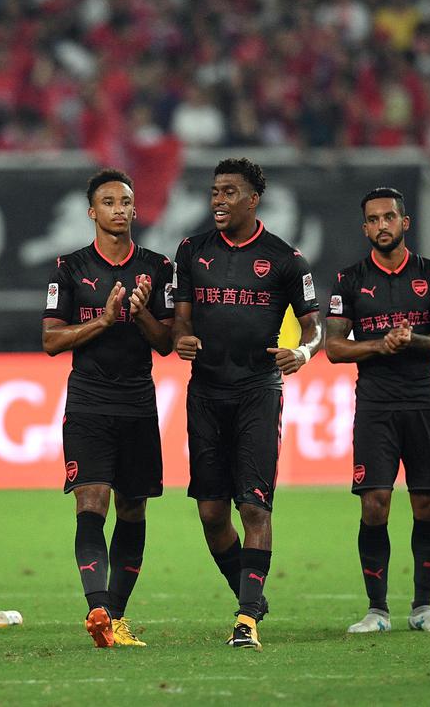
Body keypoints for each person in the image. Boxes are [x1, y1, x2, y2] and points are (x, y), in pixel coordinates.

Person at [172, 157, 322, 650]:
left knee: (253, 505)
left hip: (258, 391)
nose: (218, 199)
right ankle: (251, 593)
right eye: (215, 191)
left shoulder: (285, 259)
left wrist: (301, 351)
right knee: (212, 513)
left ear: (253, 199)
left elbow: (316, 327)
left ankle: (246, 618)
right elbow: (182, 321)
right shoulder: (191, 251)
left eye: (229, 192)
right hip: (206, 392)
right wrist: (182, 339)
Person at [42, 169, 174, 648]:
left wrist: (139, 316)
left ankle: (115, 618)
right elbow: (51, 339)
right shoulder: (71, 268)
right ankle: (97, 606)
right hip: (89, 403)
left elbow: (166, 344)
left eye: (126, 201)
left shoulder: (158, 268)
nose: (120, 209)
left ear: (135, 210)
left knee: (133, 508)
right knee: (91, 501)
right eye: (109, 202)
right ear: (91, 212)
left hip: (138, 403)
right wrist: (102, 320)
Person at [325, 187, 430, 634]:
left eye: (389, 217)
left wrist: (413, 341)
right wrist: (381, 345)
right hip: (376, 405)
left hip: (424, 400)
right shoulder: (348, 281)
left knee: (428, 505)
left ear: (405, 222)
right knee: (375, 505)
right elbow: (334, 348)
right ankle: (377, 610)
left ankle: (423, 608)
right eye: (373, 219)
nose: (381, 225)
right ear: (365, 227)